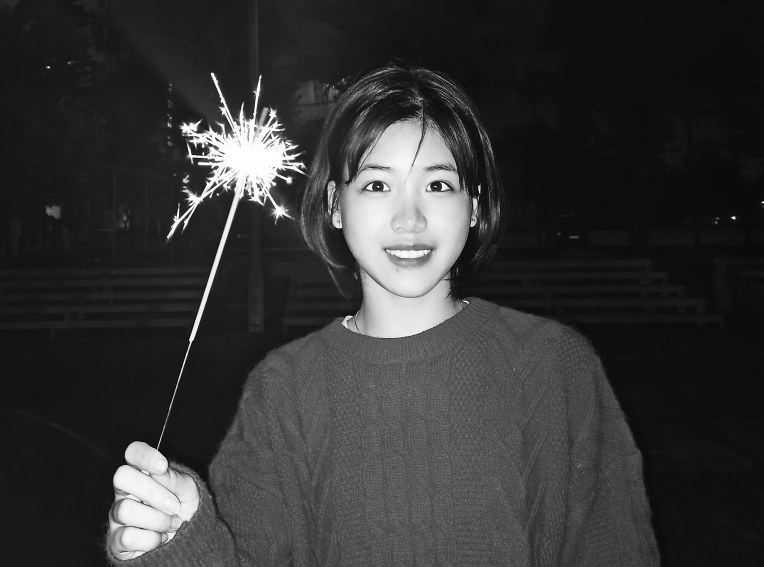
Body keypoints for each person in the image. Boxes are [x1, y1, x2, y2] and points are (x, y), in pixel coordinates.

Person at [107, 64, 659, 566]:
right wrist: (175, 539)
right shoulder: (284, 389)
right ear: (334, 205)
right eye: (376, 184)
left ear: (473, 205)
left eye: (438, 184)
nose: (409, 218)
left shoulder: (553, 365)